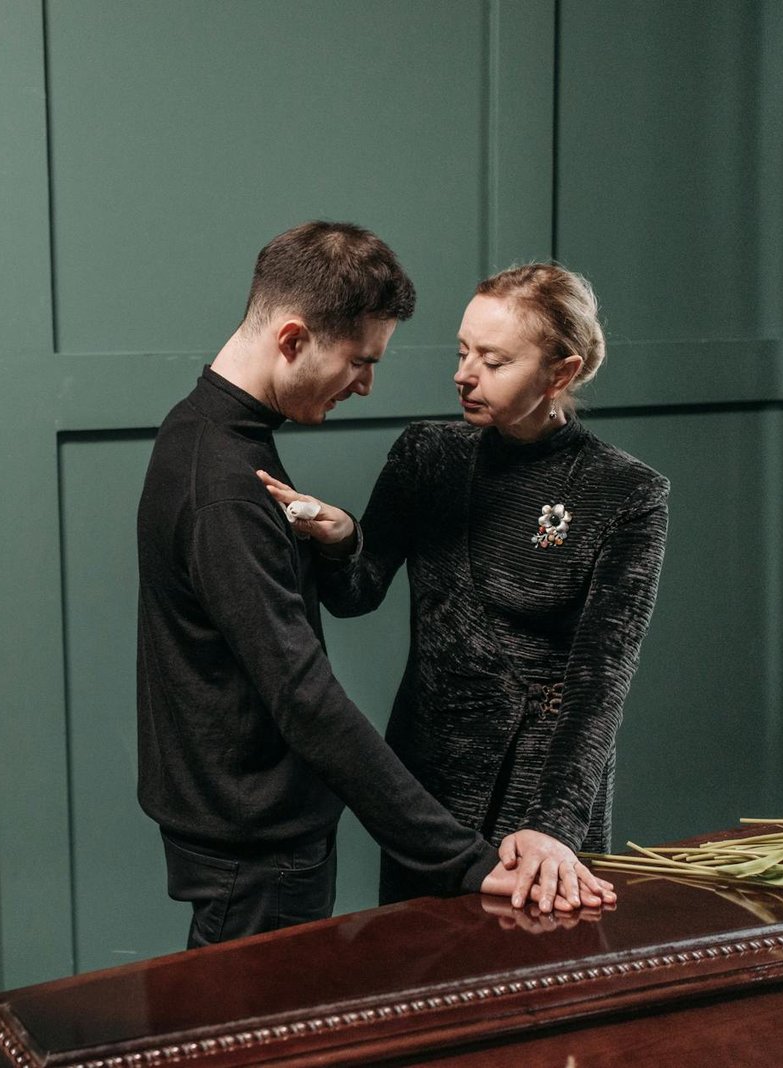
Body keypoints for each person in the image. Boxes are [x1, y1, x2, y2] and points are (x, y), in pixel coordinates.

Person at [137, 224, 614, 949]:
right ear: (293, 339)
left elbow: (599, 679)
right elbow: (304, 696)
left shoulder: (205, 434)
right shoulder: (224, 485)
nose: (365, 385)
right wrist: (463, 860)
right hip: (257, 845)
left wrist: (340, 540)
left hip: (256, 830)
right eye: (359, 362)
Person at [258, 262, 668, 905]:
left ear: (560, 373)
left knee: (534, 956)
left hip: (543, 791)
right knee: (421, 957)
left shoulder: (626, 492)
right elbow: (356, 593)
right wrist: (341, 539)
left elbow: (601, 681)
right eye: (462, 351)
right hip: (429, 785)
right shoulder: (428, 454)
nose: (464, 373)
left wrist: (556, 825)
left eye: (494, 361)